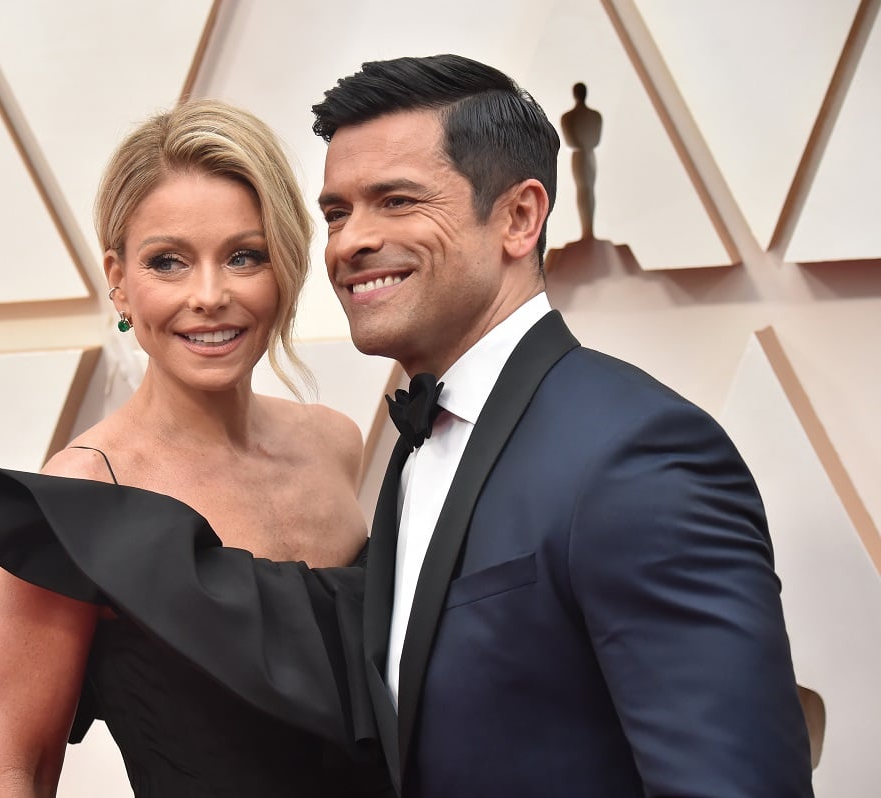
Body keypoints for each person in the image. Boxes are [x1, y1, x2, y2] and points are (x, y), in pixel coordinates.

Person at [312, 54, 813, 797]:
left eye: (396, 200)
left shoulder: (639, 456)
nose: (349, 241)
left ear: (519, 217)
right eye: (336, 212)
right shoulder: (417, 443)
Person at [0, 99, 391, 797]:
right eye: (168, 262)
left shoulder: (335, 442)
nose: (209, 295)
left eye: (243, 256)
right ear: (119, 279)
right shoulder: (81, 501)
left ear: (283, 267)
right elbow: (23, 770)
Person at [561, 81, 602, 239]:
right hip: (585, 154)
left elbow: (572, 140)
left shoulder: (569, 117)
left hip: (582, 155)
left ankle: (588, 230)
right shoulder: (594, 116)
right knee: (585, 190)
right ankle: (587, 230)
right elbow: (591, 139)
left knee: (586, 190)